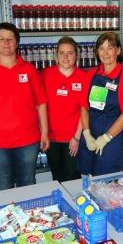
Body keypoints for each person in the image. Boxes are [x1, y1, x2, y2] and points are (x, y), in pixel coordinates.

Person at [0, 23, 49, 191]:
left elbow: (41, 102)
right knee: (3, 185)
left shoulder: (29, 70)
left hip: (28, 138)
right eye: (2, 39)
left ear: (17, 43)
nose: (6, 43)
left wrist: (44, 132)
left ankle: (29, 218)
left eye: (10, 39)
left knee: (28, 183)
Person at [77, 32, 123, 176]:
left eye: (110, 47)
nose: (105, 52)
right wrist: (87, 134)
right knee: (87, 175)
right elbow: (84, 107)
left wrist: (106, 137)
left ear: (118, 50)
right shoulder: (90, 75)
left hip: (112, 131)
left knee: (106, 178)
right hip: (91, 127)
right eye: (101, 48)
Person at [39, 36, 85, 182]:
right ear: (56, 55)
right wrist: (42, 132)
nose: (66, 57)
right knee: (57, 176)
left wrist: (77, 137)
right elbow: (39, 105)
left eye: (70, 53)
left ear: (76, 55)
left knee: (72, 176)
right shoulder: (45, 75)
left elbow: (85, 109)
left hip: (73, 138)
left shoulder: (84, 77)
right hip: (50, 137)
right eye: (62, 53)